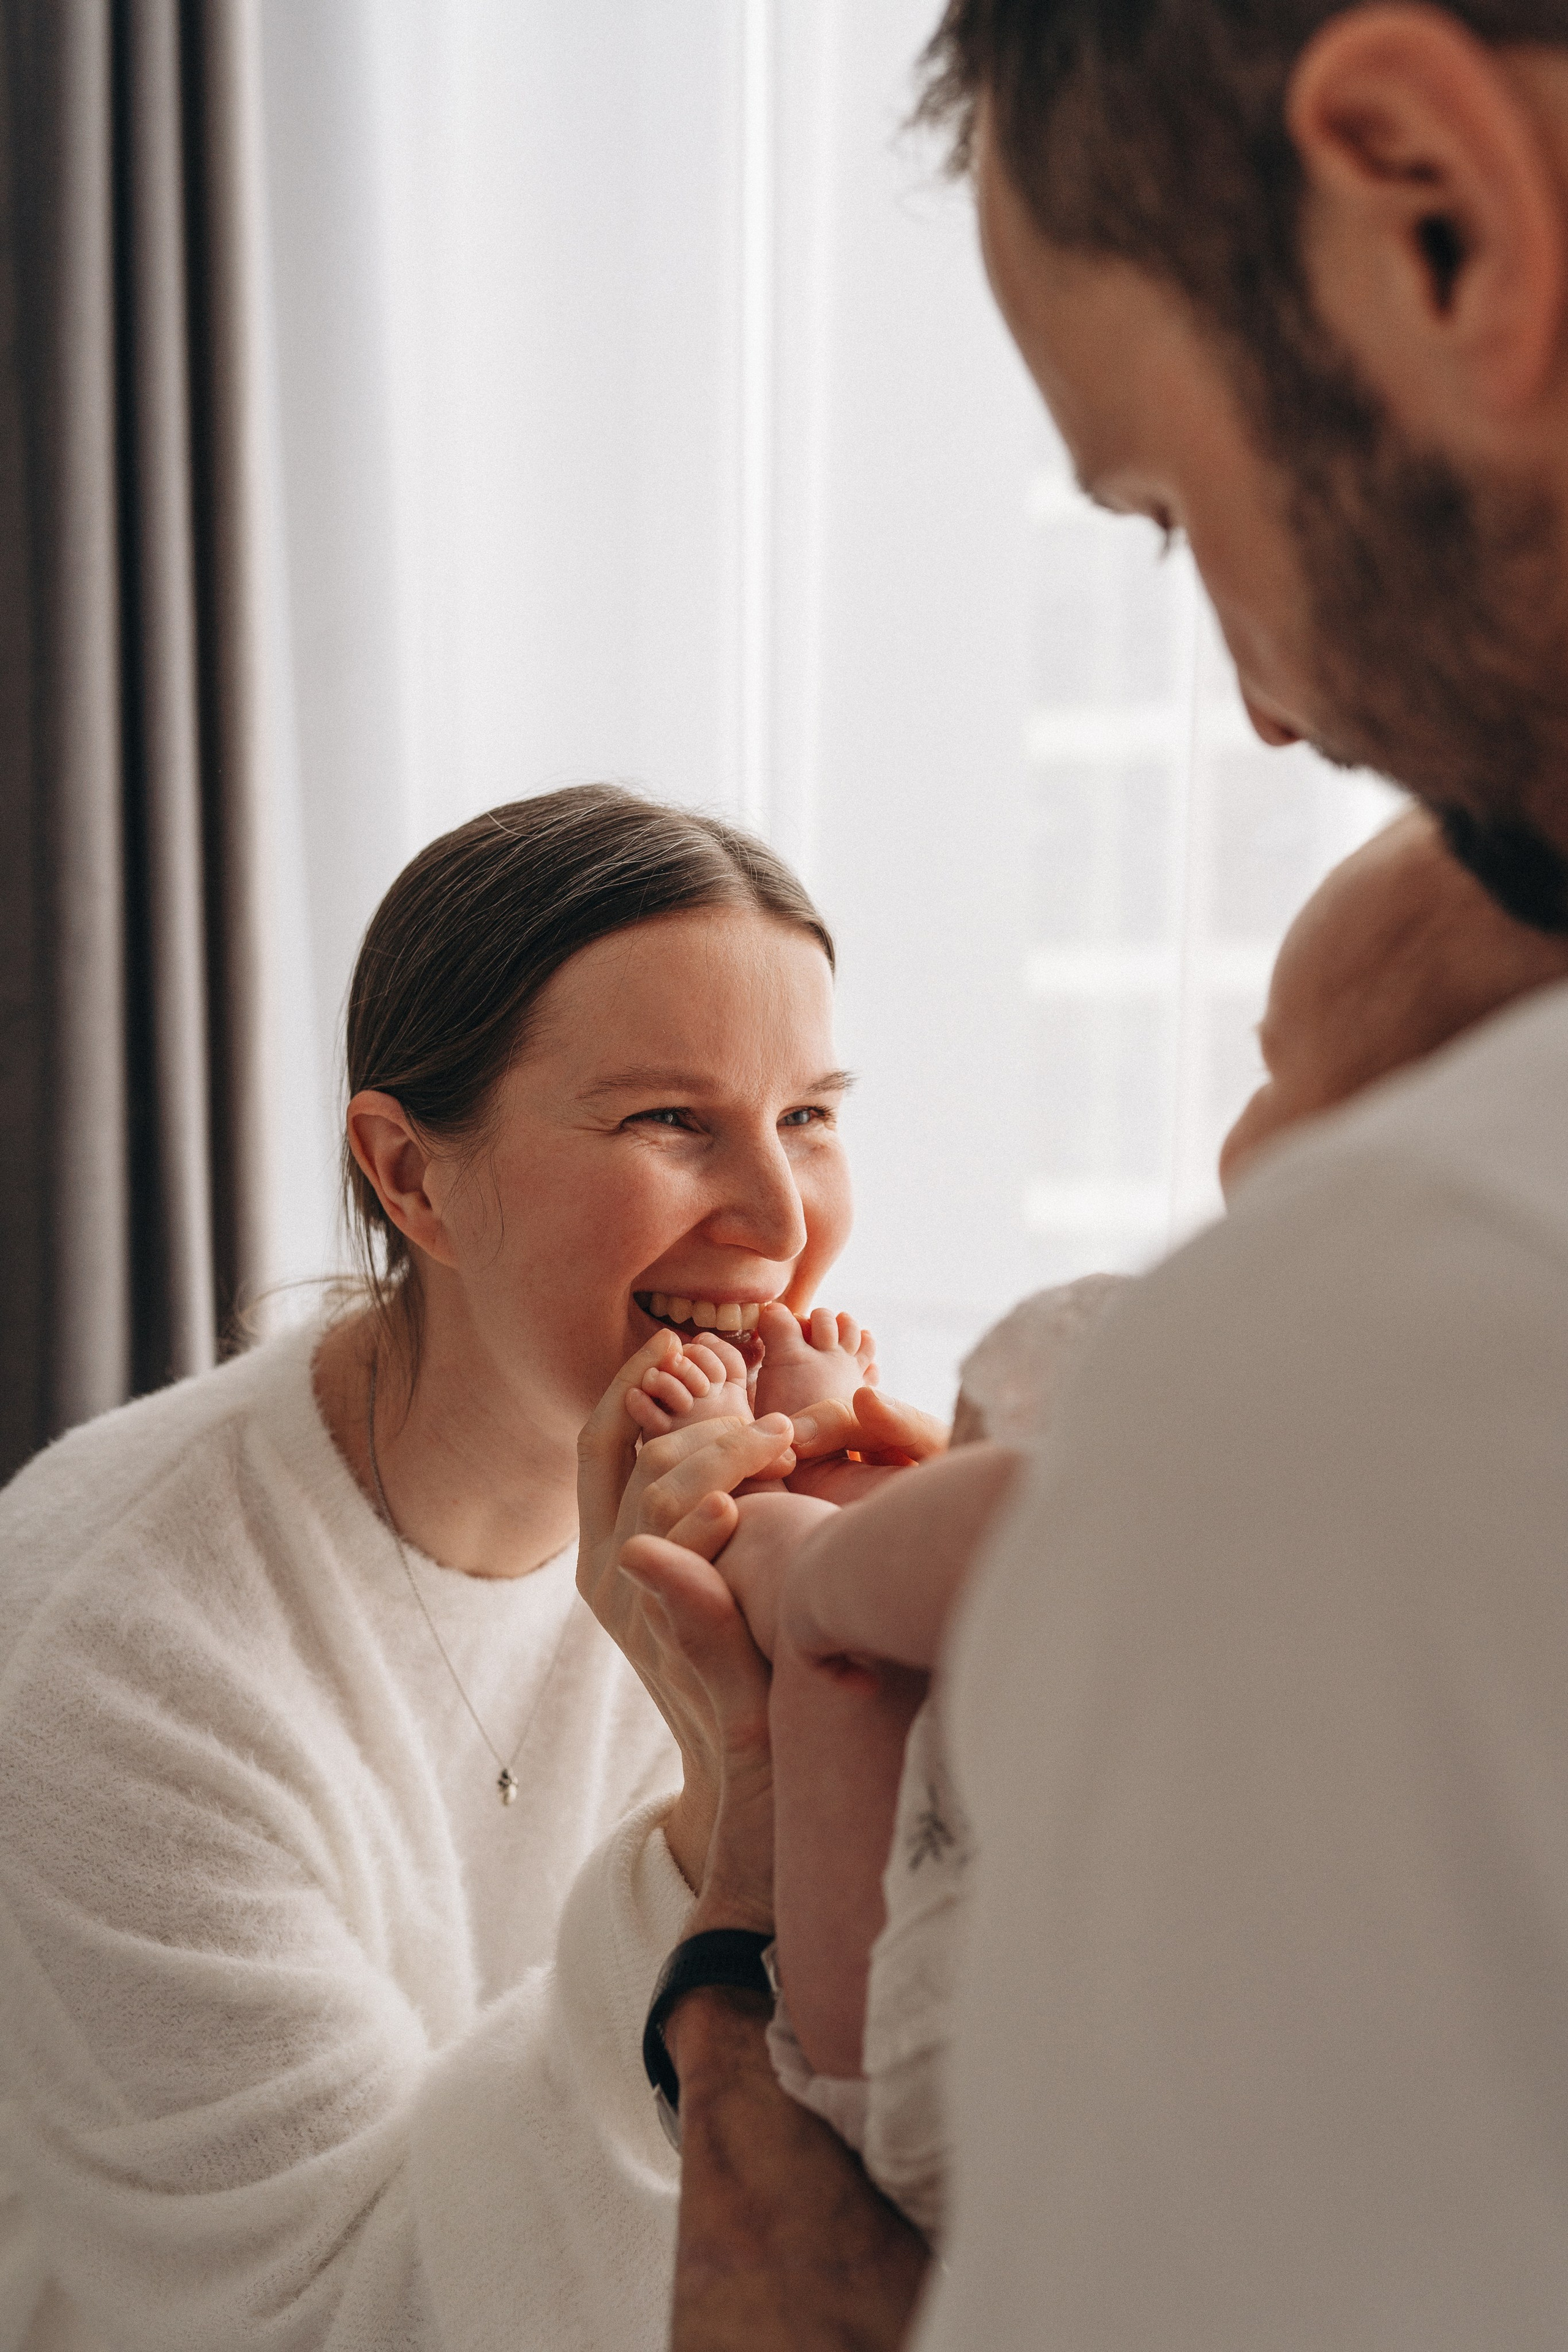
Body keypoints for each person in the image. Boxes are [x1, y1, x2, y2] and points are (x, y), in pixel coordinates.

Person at [622, 6, 1568, 2345]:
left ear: (1436, 216)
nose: (1264, 706)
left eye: (1165, 511)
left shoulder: (1389, 1336)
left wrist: (730, 1977)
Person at [0, 781, 933, 2352]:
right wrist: (736, 1808)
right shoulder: (114, 1653)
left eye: (810, 1116)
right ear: (413, 1176)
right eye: (668, 1120)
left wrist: (891, 1708)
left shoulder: (766, 1522)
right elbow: (347, 2323)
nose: (779, 1217)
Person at [630, 804, 1568, 2252]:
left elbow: (1049, 1533)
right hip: (1080, 2045)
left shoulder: (1223, 1362)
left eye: (1274, 1070)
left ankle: (778, 1521)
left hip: (922, 2037)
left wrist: (817, 1566)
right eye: (669, 1117)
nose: (1236, 1135)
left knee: (826, 1611)